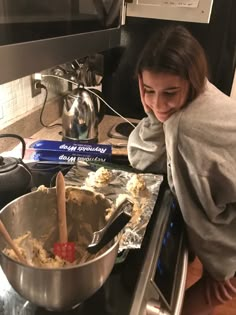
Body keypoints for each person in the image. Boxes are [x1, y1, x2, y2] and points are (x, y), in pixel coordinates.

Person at [127, 24, 236, 315]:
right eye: (148, 90)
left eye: (170, 92)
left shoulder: (185, 127)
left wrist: (222, 267)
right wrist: (152, 112)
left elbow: (199, 214)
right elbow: (143, 157)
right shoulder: (201, 92)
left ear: (191, 80)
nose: (158, 103)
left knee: (193, 305)